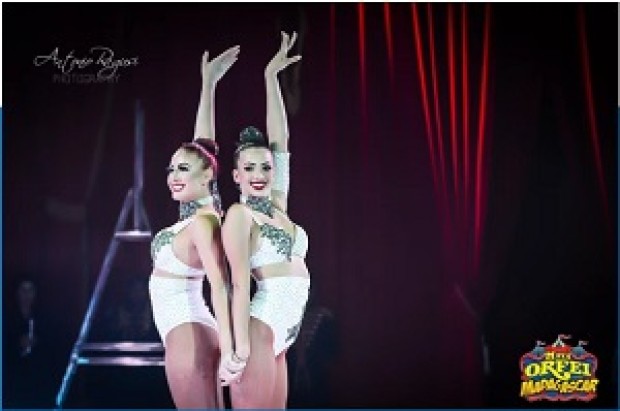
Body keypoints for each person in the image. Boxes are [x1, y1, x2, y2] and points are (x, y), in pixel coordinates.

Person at [221, 31, 310, 409]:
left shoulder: (277, 205)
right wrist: (239, 348)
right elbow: (238, 285)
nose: (259, 174)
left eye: (266, 167)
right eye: (249, 168)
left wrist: (271, 77)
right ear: (236, 175)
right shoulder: (240, 215)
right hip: (258, 334)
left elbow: (281, 140)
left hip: (283, 336)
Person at [148, 45, 239, 409]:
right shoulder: (197, 212)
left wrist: (230, 350)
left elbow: (222, 285)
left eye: (182, 169)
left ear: (207, 177)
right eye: (170, 168)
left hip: (189, 337)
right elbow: (203, 148)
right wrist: (208, 85)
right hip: (186, 332)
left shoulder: (202, 221)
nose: (173, 175)